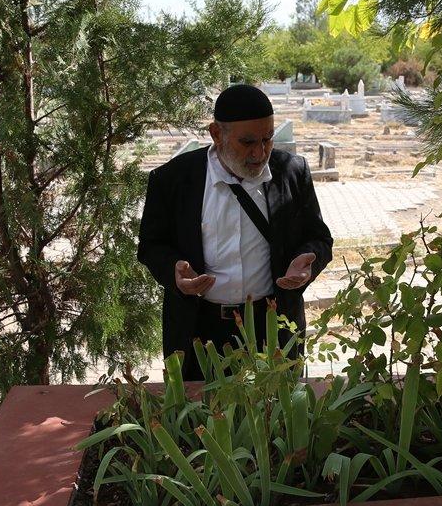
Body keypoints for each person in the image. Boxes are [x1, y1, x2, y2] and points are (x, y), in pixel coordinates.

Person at [137, 84, 333, 380]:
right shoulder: (172, 179)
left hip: (273, 328)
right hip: (199, 331)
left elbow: (319, 238)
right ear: (217, 134)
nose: (260, 152)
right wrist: (174, 271)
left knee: (275, 420)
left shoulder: (292, 172)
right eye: (248, 142)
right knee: (201, 421)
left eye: (268, 139)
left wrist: (308, 260)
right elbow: (151, 245)